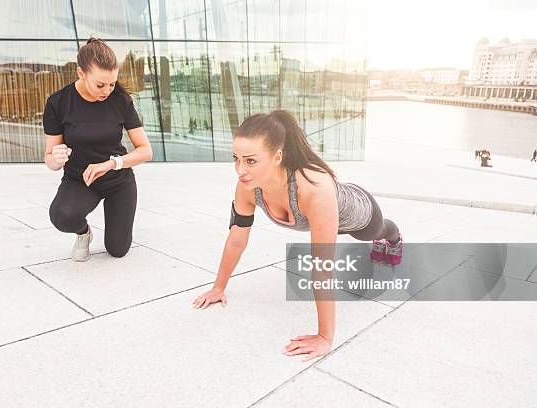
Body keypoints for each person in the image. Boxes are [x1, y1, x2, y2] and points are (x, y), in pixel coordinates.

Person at [192, 110, 402, 361]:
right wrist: (218, 287)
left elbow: (322, 266)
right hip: (323, 219)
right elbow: (237, 238)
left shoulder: (313, 187)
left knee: (375, 232)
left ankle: (395, 238)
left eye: (250, 160)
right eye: (236, 158)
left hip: (358, 213)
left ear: (277, 156)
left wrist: (325, 337)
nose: (240, 169)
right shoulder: (247, 188)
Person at [43, 38, 153, 261]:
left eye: (112, 83)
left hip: (118, 180)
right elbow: (50, 160)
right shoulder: (58, 103)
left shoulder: (120, 100)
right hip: (81, 180)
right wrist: (56, 158)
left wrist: (112, 164)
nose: (107, 91)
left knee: (117, 250)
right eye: (100, 84)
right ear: (80, 73)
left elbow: (145, 151)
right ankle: (84, 234)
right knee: (61, 216)